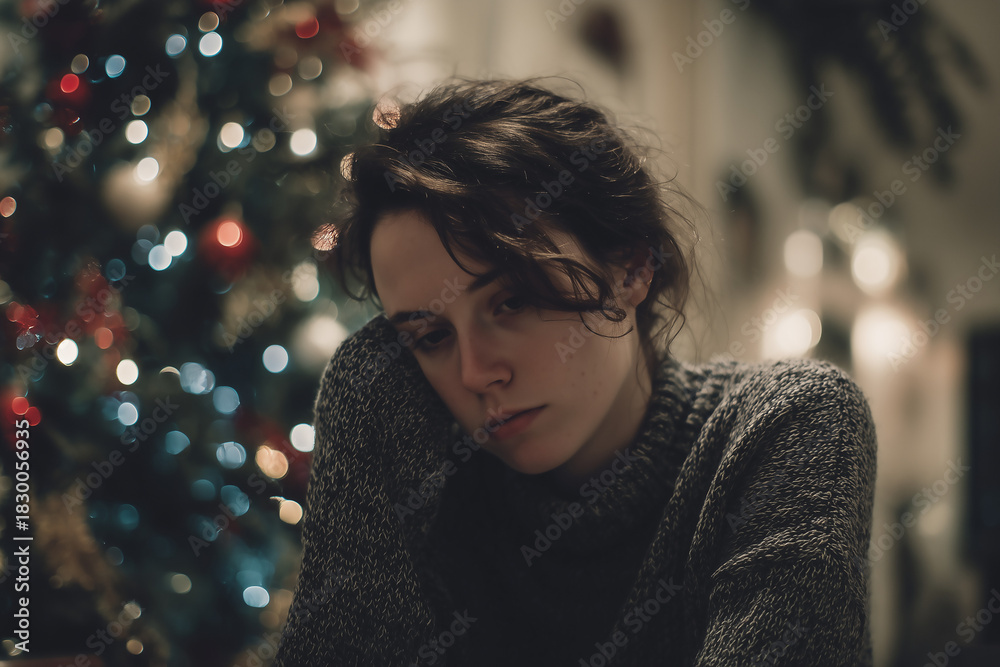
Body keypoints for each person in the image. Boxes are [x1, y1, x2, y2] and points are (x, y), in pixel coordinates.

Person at [273, 77, 878, 667]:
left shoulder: (782, 428)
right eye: (429, 336)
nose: (477, 372)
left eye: (511, 301)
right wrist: (359, 392)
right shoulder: (432, 490)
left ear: (632, 267)